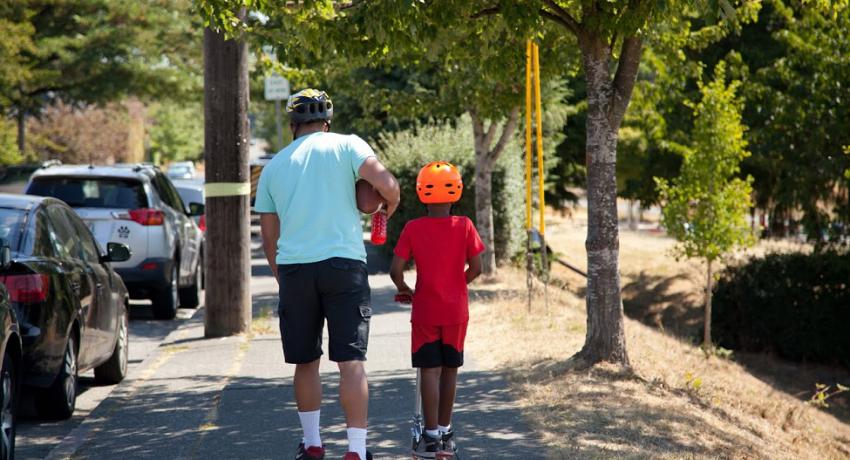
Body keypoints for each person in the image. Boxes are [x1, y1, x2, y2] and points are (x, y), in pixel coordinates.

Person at [256, 89, 400, 460]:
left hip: (296, 270)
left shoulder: (273, 167)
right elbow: (387, 184)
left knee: (306, 362)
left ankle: (314, 445)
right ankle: (356, 451)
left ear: (292, 126)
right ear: (327, 123)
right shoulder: (349, 145)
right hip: (344, 266)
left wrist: (281, 276)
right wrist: (389, 205)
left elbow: (268, 237)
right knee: (350, 362)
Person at [389, 161, 484, 459]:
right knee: (450, 371)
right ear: (455, 193)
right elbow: (477, 268)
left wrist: (406, 290)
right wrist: (459, 283)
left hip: (426, 310)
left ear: (421, 193)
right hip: (456, 311)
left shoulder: (413, 228)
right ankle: (445, 430)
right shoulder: (465, 225)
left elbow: (395, 270)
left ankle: (430, 437)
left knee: (429, 370)